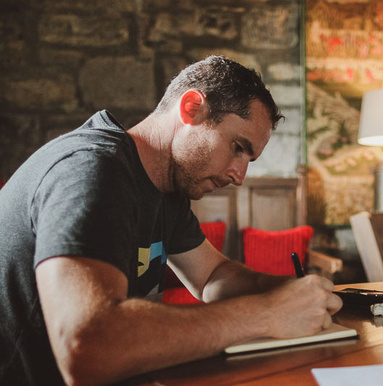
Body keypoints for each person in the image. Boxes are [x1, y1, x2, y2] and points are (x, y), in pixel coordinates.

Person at [0, 55, 342, 385]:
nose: (240, 176)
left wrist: (290, 292)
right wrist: (266, 312)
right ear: (191, 108)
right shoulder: (93, 170)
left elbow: (211, 276)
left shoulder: (166, 189)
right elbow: (87, 348)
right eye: (238, 147)